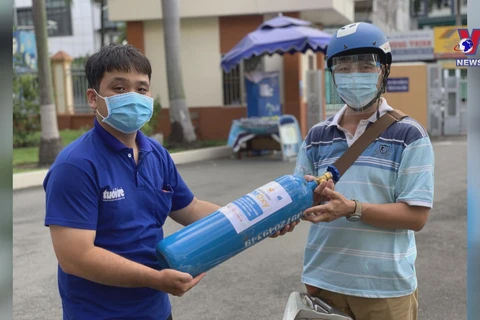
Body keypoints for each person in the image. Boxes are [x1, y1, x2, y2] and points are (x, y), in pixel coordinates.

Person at [43, 44, 296, 320]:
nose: (132, 96)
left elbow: (191, 208)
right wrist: (154, 278)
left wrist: (260, 221)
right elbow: (75, 257)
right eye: (119, 88)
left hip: (156, 311)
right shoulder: (76, 165)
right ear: (93, 98)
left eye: (141, 89)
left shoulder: (156, 154)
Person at [293, 22, 435, 320]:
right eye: (343, 68)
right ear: (333, 76)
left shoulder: (409, 135)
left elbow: (417, 216)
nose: (353, 74)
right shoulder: (317, 136)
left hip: (385, 289)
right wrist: (292, 208)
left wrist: (352, 208)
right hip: (323, 281)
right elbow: (299, 202)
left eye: (365, 65)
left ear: (384, 71)